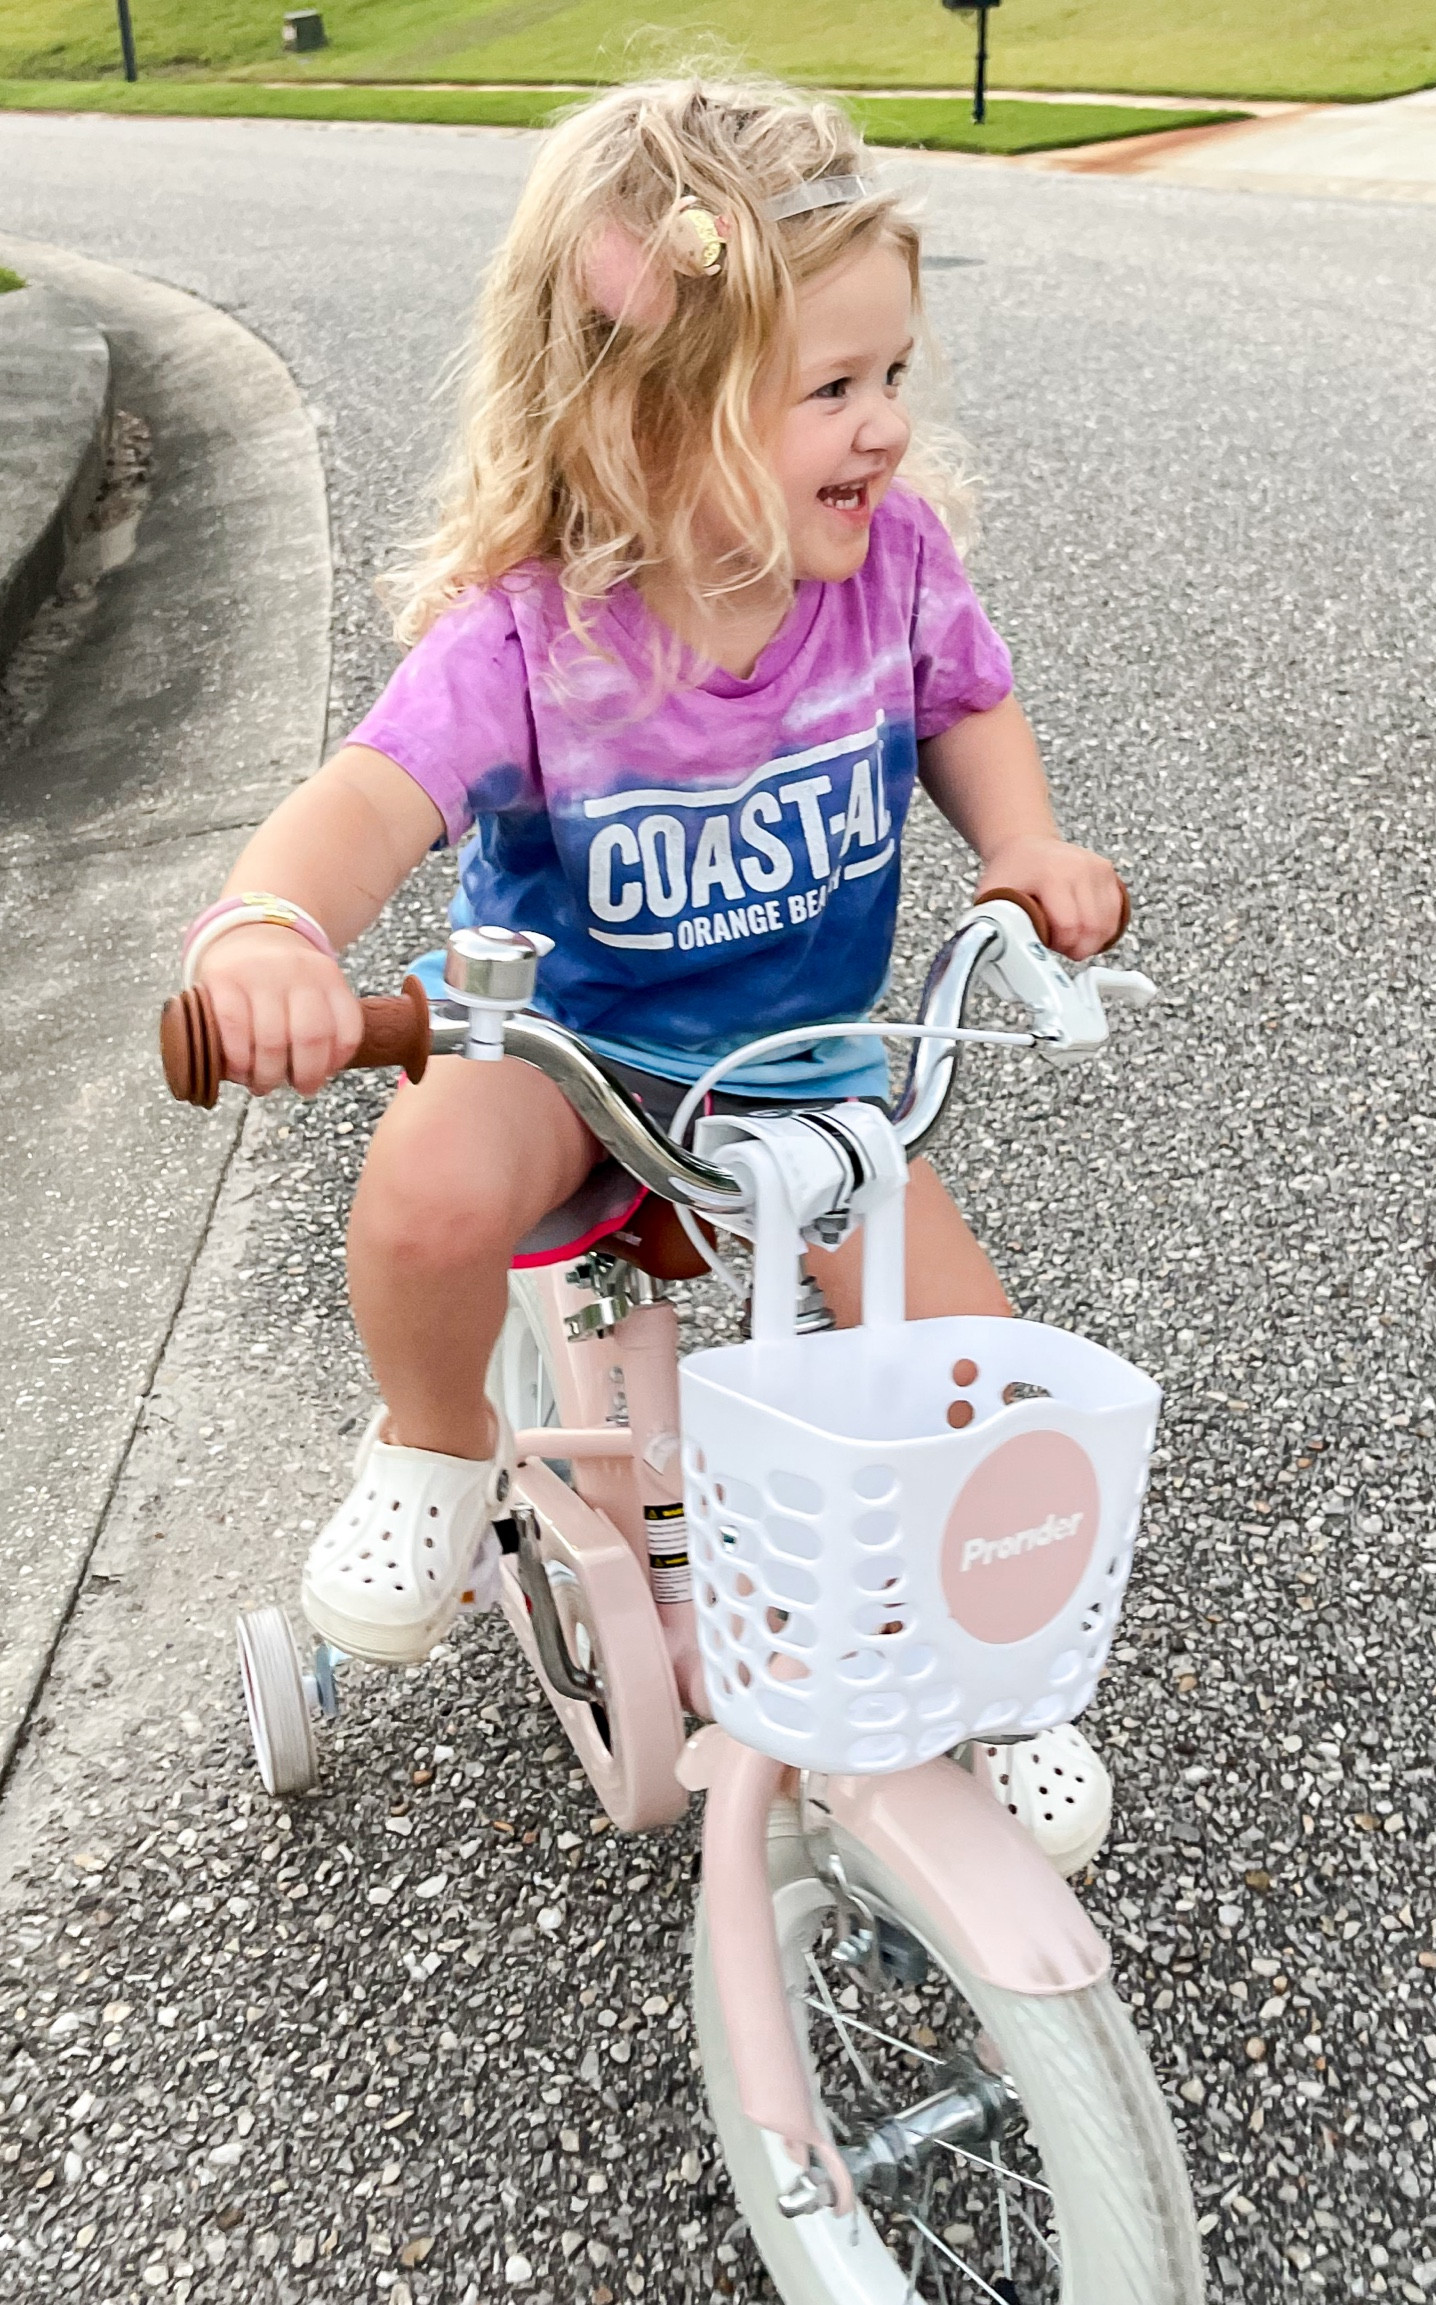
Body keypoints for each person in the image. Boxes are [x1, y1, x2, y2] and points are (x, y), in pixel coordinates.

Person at [182, 78, 1126, 1854]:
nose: (884, 430)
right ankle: (437, 1448)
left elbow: (968, 704)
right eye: (829, 391)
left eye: (893, 377)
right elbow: (367, 801)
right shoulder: (529, 636)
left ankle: (994, 1680)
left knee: (972, 1371)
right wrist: (267, 929)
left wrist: (1018, 846)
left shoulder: (894, 569)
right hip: (576, 1061)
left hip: (807, 1070)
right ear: (642, 412)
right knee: (424, 1186)